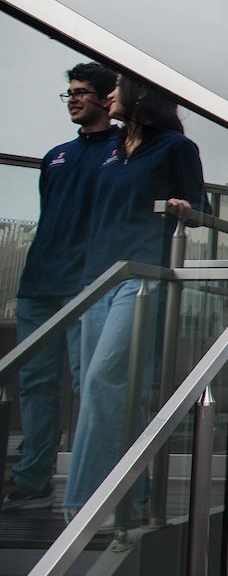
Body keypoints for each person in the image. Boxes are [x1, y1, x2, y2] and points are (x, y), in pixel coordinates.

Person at [63, 75, 206, 525]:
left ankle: (85, 502)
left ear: (141, 96)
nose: (108, 95)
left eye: (117, 87)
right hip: (96, 280)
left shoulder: (176, 149)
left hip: (142, 276)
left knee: (105, 381)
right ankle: (138, 495)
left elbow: (200, 211)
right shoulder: (107, 150)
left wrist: (184, 209)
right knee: (99, 390)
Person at [3, 63, 119, 511]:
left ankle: (94, 483)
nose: (73, 99)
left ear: (106, 99)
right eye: (69, 92)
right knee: (34, 382)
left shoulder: (124, 151)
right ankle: (31, 477)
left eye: (83, 92)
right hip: (39, 285)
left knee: (85, 380)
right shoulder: (55, 157)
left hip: (87, 284)